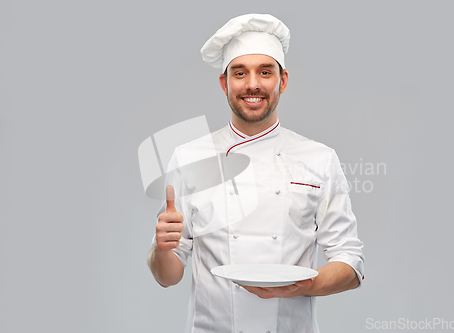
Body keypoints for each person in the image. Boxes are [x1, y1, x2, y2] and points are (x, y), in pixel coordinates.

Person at [147, 14, 364, 333]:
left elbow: (352, 264)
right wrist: (161, 248)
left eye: (265, 72)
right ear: (224, 83)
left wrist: (300, 286)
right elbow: (168, 277)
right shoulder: (190, 157)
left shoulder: (319, 158)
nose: (252, 84)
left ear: (283, 80)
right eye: (239, 73)